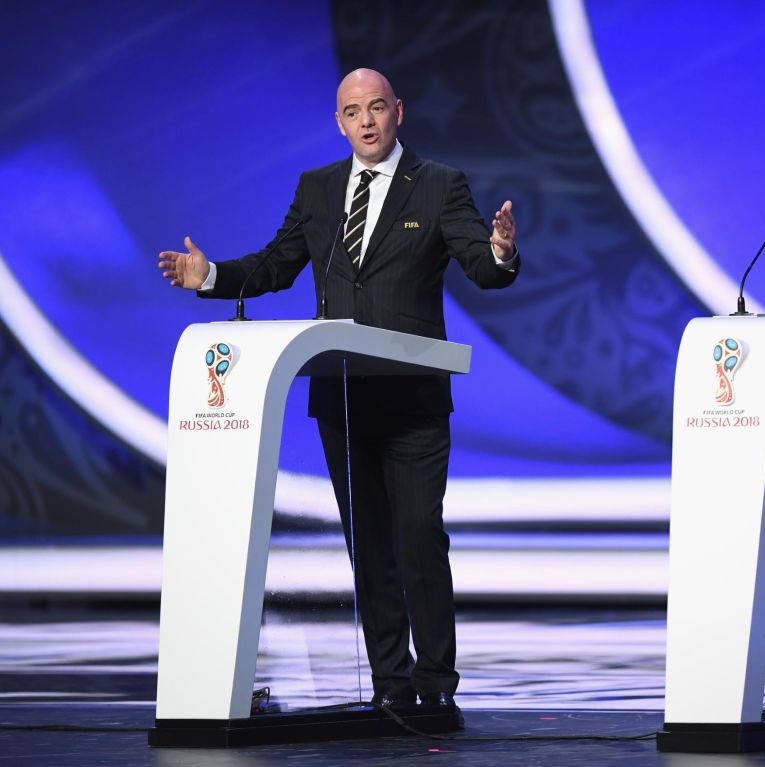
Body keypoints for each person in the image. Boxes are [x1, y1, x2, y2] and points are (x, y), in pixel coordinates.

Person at [158, 68, 519, 713]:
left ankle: (436, 687)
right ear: (340, 122)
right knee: (369, 545)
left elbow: (482, 268)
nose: (367, 122)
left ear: (398, 111)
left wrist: (499, 252)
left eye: (378, 108)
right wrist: (209, 274)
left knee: (417, 540)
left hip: (412, 400)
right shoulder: (318, 190)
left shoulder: (439, 185)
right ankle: (390, 684)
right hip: (343, 399)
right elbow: (275, 265)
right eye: (354, 112)